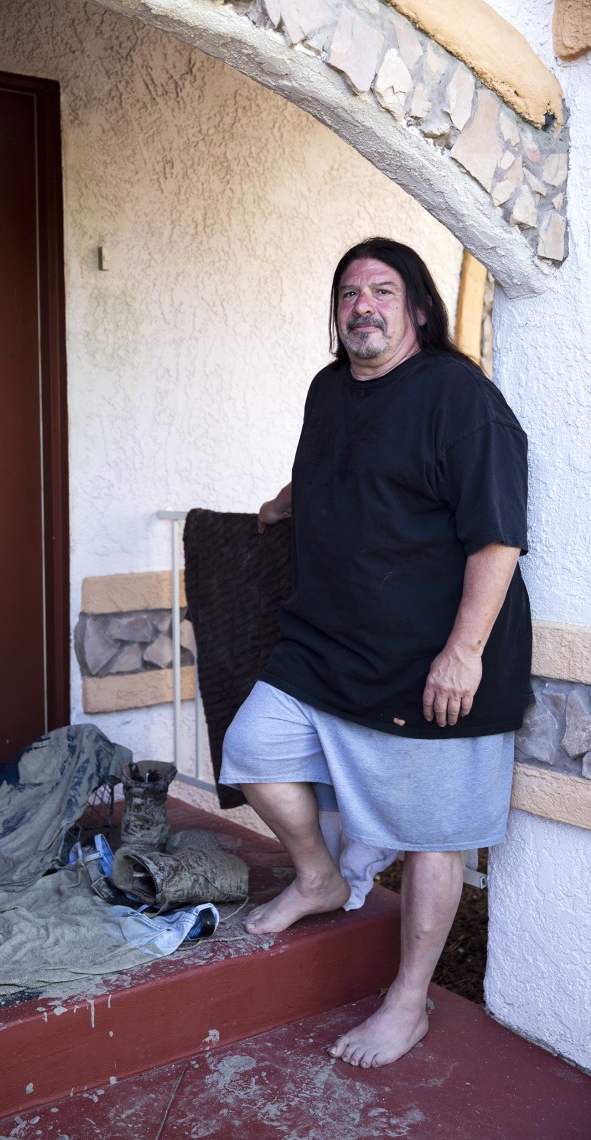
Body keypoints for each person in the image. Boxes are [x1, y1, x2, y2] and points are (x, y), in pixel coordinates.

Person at [220, 237, 532, 1069]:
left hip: (433, 657)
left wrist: (463, 653)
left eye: (383, 290)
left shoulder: (459, 397)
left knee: (436, 834)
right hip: (327, 644)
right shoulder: (329, 389)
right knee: (252, 750)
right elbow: (338, 468)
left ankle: (409, 1000)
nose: (363, 305)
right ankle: (321, 878)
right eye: (350, 291)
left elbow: (498, 536)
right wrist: (286, 505)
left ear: (417, 309)